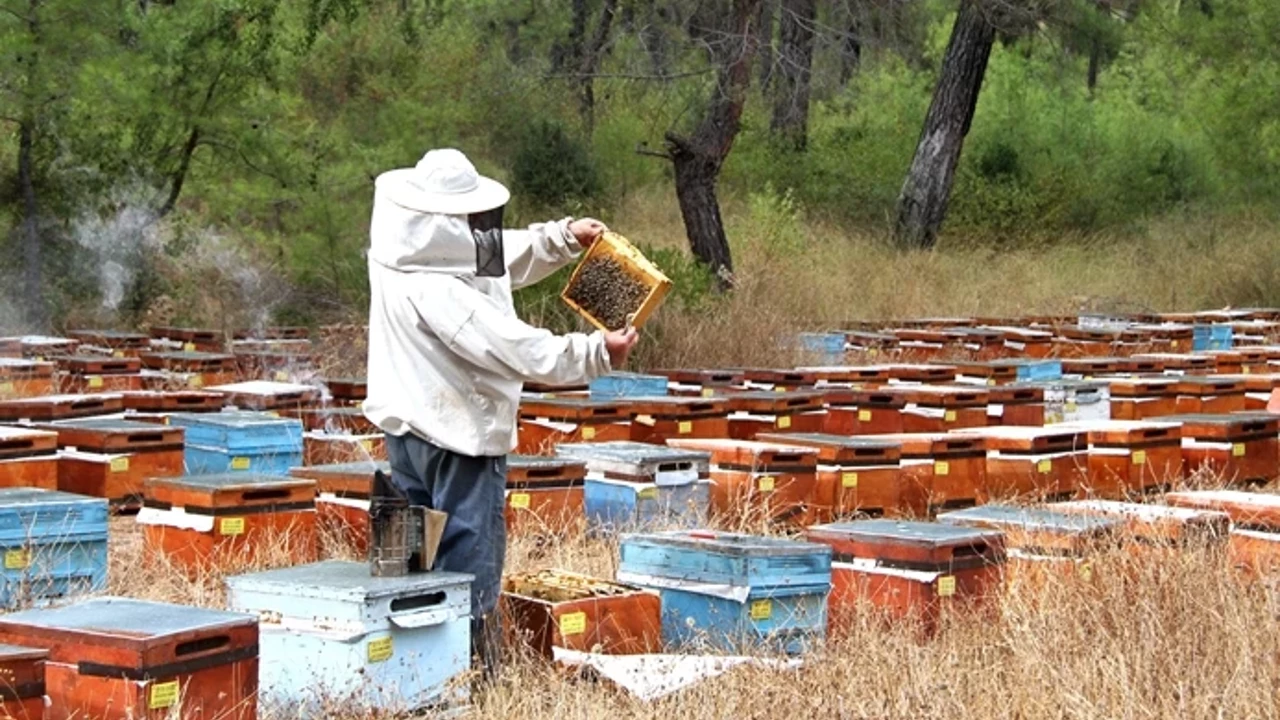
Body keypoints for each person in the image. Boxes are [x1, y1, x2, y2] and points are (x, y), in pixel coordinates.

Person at [362, 148, 638, 677]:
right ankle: (469, 677)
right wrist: (596, 353)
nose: (479, 226)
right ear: (447, 221)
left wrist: (561, 238)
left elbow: (490, 253)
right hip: (458, 441)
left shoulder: (396, 249)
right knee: (468, 567)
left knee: (405, 570)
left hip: (405, 438)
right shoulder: (439, 288)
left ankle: (403, 675)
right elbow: (512, 345)